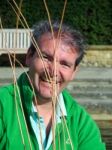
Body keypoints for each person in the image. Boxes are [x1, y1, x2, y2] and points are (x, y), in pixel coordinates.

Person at [0, 20, 105, 150]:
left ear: (74, 72)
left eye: (65, 64)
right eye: (46, 57)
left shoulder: (82, 124)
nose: (53, 71)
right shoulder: (2, 107)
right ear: (29, 56)